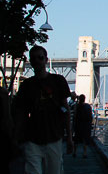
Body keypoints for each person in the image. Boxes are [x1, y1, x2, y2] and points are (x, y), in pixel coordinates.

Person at [14, 45, 73, 174]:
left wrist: (69, 137)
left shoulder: (58, 81)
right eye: (34, 58)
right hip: (32, 139)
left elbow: (66, 109)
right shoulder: (26, 85)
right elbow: (21, 114)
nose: (37, 61)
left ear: (46, 60)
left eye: (40, 58)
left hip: (54, 137)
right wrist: (16, 137)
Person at [73, 94, 93, 158]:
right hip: (85, 125)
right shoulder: (88, 106)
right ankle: (84, 153)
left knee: (76, 140)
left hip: (78, 125)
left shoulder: (77, 106)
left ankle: (74, 152)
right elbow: (90, 117)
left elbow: (75, 116)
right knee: (85, 140)